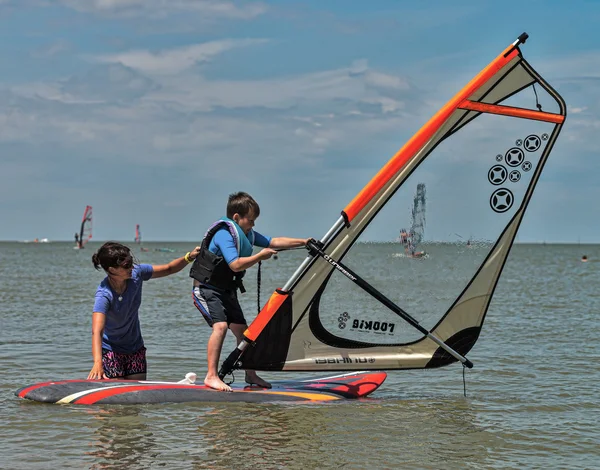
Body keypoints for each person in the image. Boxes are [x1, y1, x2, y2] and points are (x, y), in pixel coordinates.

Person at [190, 191, 308, 392]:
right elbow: (235, 265)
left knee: (244, 333)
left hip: (227, 290)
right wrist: (259, 257)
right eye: (251, 220)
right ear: (236, 217)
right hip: (206, 289)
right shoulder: (223, 234)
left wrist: (305, 242)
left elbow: (274, 241)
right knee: (220, 327)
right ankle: (211, 376)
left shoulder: (247, 234)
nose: (253, 225)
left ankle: (250, 374)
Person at [88, 241, 201, 380]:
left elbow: (169, 268)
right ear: (112, 270)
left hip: (135, 348)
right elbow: (97, 331)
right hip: (111, 351)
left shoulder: (137, 273)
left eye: (131, 262)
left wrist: (188, 257)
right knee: (115, 397)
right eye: (126, 265)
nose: (131, 267)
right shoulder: (104, 295)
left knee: (137, 395)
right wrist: (98, 363)